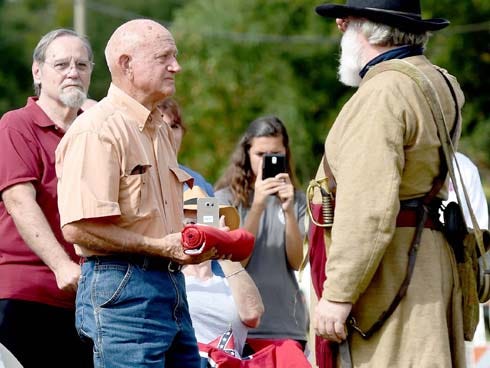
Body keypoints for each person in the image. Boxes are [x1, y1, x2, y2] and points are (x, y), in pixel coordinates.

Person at [312, 1, 466, 367]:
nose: (339, 26)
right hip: (422, 260)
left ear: (368, 28)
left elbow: (367, 207)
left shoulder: (384, 92)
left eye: (346, 20)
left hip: (390, 275)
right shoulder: (437, 80)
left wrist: (338, 293)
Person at [55, 19, 217, 368]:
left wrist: (208, 237)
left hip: (169, 284)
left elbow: (175, 215)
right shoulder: (96, 131)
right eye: (165, 57)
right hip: (124, 287)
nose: (177, 66)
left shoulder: (158, 129)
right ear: (126, 64)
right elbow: (78, 229)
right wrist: (159, 246)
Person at [0, 29, 94, 368]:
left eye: (81, 64)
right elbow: (19, 201)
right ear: (37, 72)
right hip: (27, 295)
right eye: (62, 64)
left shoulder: (95, 132)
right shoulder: (17, 125)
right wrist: (61, 265)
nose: (73, 72)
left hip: (87, 300)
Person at [215, 116, 309, 356]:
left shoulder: (297, 200)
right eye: (260, 155)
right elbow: (237, 263)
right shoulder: (225, 199)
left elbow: (297, 262)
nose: (267, 162)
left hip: (287, 325)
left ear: (286, 153)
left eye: (275, 154)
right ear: (246, 153)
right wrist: (257, 206)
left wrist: (288, 211)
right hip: (239, 324)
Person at [181, 185, 264, 358]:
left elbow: (252, 315)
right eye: (189, 222)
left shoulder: (230, 283)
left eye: (204, 219)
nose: (196, 228)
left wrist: (222, 244)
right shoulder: (171, 281)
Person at [159, 97, 214, 196]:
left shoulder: (198, 182)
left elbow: (211, 212)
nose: (169, 133)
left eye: (174, 126)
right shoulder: (136, 179)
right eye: (162, 127)